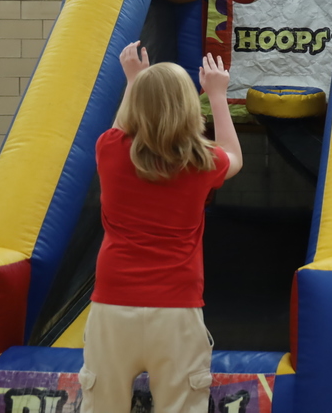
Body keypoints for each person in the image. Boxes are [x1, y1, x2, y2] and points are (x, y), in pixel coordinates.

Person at [80, 42, 243, 413]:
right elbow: (234, 156)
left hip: (113, 303)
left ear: (135, 103)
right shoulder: (203, 160)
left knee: (102, 405)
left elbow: (123, 126)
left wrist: (134, 80)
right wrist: (218, 95)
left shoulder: (109, 148)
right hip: (176, 308)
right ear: (189, 106)